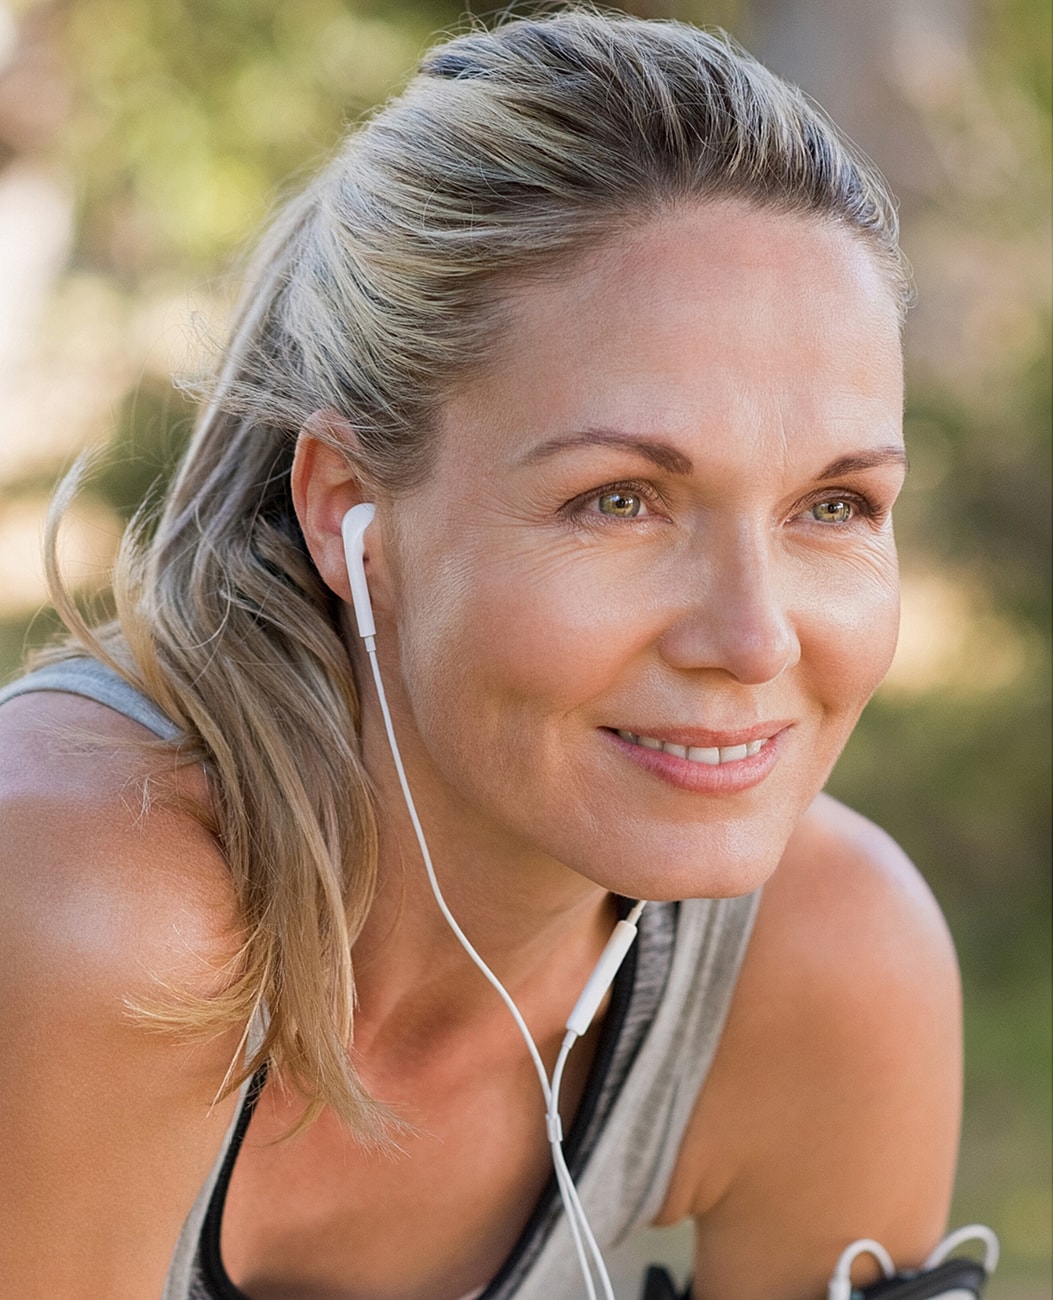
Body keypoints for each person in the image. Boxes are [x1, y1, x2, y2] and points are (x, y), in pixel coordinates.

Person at [0, 10, 965, 1300]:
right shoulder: (91, 906)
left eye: (835, 506)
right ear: (350, 508)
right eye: (620, 499)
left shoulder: (827, 964)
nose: (753, 637)